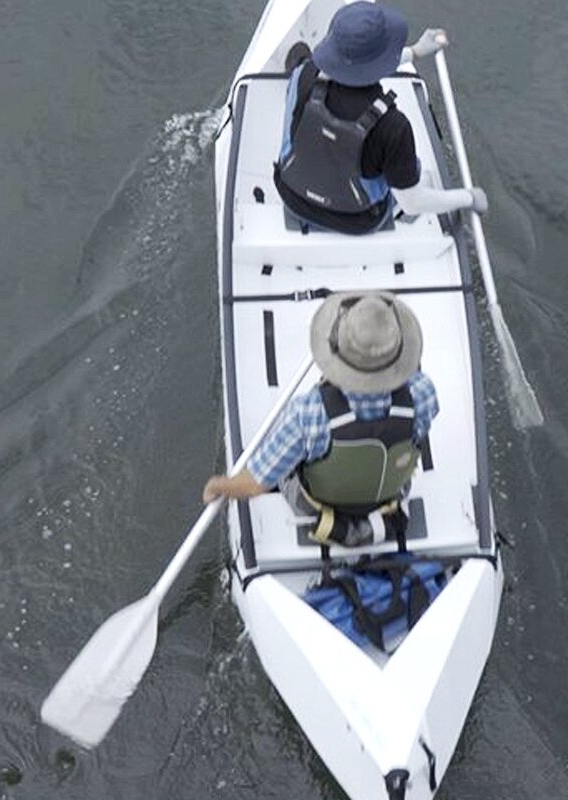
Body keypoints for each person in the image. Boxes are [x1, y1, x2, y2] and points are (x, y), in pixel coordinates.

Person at [203, 291, 439, 546]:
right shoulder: (423, 393)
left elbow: (255, 485)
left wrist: (219, 486)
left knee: (287, 456)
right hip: (391, 496)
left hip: (320, 507)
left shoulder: (308, 411)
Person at [273, 1, 488, 235]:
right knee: (412, 170)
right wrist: (468, 197)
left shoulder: (304, 72)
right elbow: (412, 203)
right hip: (357, 220)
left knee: (301, 61)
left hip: (291, 196)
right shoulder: (394, 126)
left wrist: (414, 52)